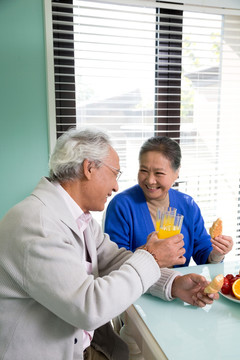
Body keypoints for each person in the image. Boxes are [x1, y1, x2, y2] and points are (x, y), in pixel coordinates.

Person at [0, 129, 219, 360]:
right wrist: (151, 257)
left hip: (82, 346)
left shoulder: (78, 218)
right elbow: (89, 308)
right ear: (89, 168)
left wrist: (173, 283)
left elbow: (114, 260)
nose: (116, 186)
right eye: (115, 173)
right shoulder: (38, 224)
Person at [104, 136, 233, 267]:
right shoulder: (121, 205)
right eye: (144, 171)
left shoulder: (188, 205)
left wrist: (217, 253)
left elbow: (203, 253)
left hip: (180, 285)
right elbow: (115, 262)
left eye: (159, 173)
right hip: (140, 286)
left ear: (176, 173)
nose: (150, 180)